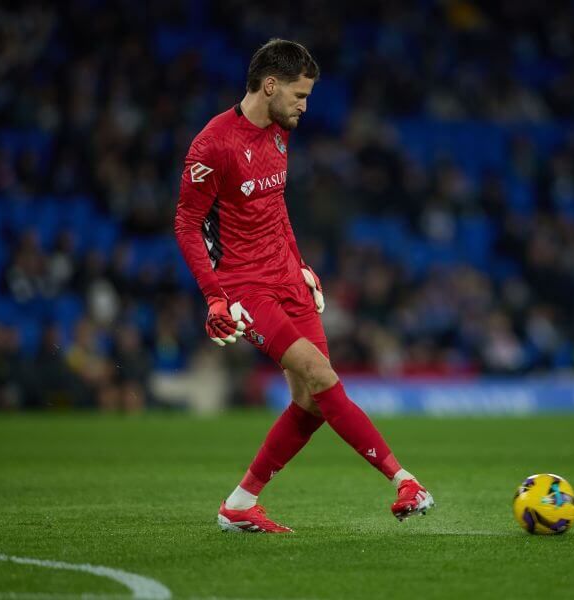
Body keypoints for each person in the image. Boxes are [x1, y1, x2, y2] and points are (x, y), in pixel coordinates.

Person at [174, 39, 434, 533]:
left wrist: (302, 265)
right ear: (269, 85)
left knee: (311, 402)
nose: (304, 106)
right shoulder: (213, 144)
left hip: (288, 277)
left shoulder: (279, 132)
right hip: (245, 286)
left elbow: (275, 207)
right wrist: (214, 295)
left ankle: (240, 503)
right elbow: (186, 224)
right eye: (299, 94)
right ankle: (404, 480)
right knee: (320, 373)